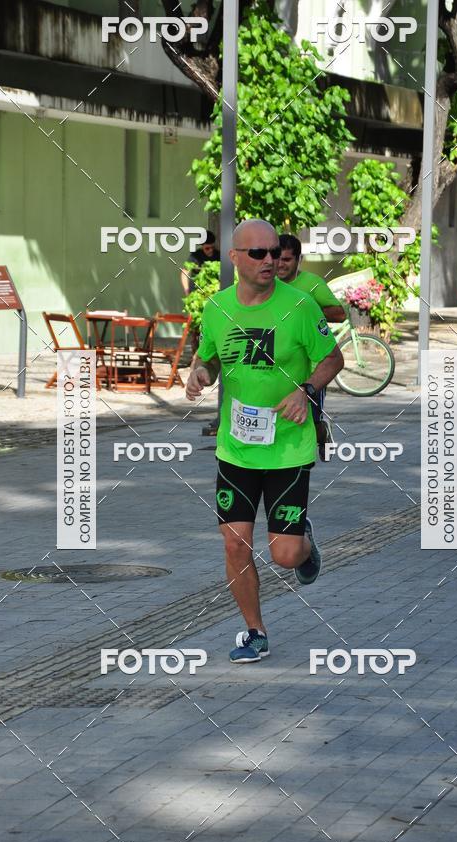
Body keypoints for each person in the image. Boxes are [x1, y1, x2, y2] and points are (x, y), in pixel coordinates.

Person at [185, 219, 344, 664]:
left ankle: (304, 543)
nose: (270, 261)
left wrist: (306, 390)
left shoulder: (300, 306)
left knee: (285, 556)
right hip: (235, 448)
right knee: (235, 542)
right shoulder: (216, 308)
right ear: (233, 258)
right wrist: (199, 373)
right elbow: (209, 356)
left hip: (288, 447)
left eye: (274, 252)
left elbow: (333, 358)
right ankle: (255, 632)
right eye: (258, 254)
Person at [277, 233, 345, 456]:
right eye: (277, 257)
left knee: (311, 419)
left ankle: (321, 430)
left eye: (287, 259)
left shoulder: (312, 283)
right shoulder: (267, 284)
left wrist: (307, 313)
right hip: (279, 364)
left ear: (299, 260)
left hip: (314, 366)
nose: (280, 264)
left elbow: (339, 313)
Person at [180, 229, 221, 296]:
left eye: (212, 247)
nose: (211, 250)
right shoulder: (195, 256)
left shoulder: (219, 255)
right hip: (196, 293)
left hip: (214, 293)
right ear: (202, 246)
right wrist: (186, 290)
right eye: (207, 248)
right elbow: (184, 272)